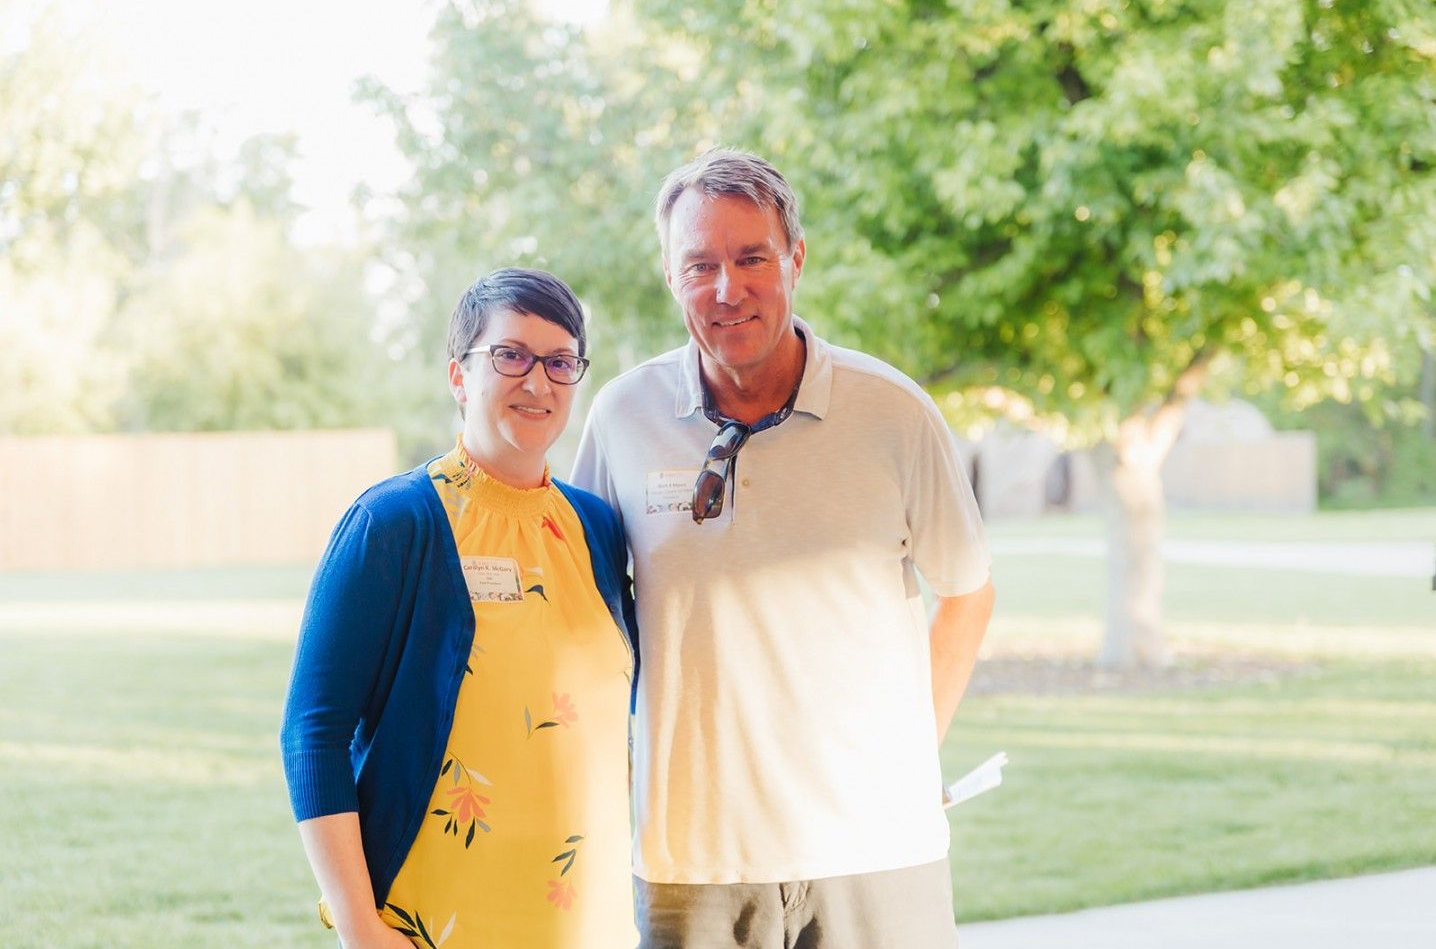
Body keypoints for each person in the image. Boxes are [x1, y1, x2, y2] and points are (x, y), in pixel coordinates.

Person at [572, 148, 996, 948]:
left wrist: (909, 752)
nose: (726, 289)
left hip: (874, 849)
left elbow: (967, 590)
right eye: (699, 265)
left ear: (794, 259)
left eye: (750, 258)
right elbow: (586, 618)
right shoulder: (623, 418)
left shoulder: (894, 413)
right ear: (670, 277)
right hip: (691, 859)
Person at [280, 268, 639, 949]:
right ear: (458, 375)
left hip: (589, 921)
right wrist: (359, 927)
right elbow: (311, 734)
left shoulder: (595, 528)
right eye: (510, 355)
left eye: (560, 362)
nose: (537, 382)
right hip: (435, 923)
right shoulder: (393, 523)